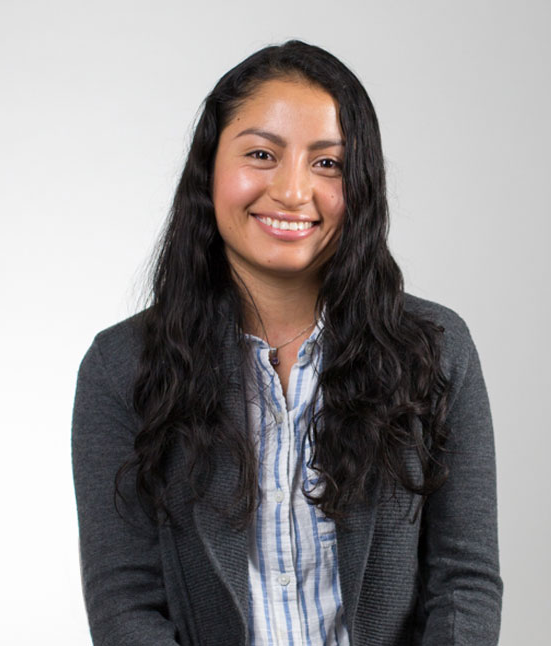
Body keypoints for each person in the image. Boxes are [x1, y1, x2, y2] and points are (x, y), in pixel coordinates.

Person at [71, 40, 502, 646]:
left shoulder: (435, 349)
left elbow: (463, 585)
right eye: (260, 153)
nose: (293, 191)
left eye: (327, 163)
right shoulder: (121, 367)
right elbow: (125, 604)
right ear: (209, 167)